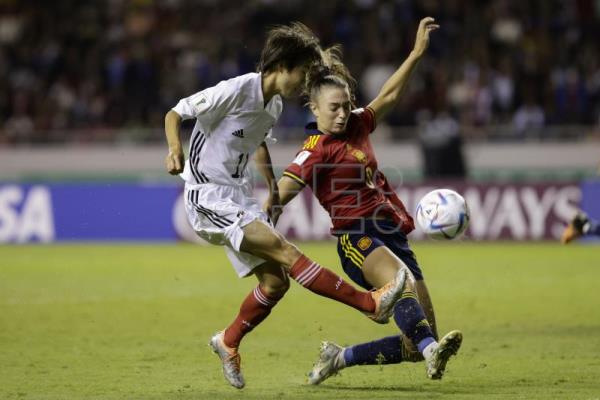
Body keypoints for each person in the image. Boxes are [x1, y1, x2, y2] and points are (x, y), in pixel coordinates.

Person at [163, 22, 406, 389]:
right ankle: (370, 304)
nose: (304, 84)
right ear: (282, 67)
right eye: (303, 74)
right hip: (207, 194)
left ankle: (227, 341)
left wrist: (272, 184)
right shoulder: (236, 89)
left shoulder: (273, 105)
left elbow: (256, 141)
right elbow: (175, 114)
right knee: (284, 249)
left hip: (239, 196)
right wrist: (175, 149)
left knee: (276, 283)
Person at [275, 17, 462, 383]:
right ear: (314, 109)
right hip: (357, 238)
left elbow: (389, 96)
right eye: (334, 108)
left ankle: (339, 358)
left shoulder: (358, 124)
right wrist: (259, 230)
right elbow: (283, 191)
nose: (343, 113)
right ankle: (431, 354)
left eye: (346, 105)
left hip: (393, 235)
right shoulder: (314, 150)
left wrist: (415, 54)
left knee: (415, 338)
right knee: (402, 285)